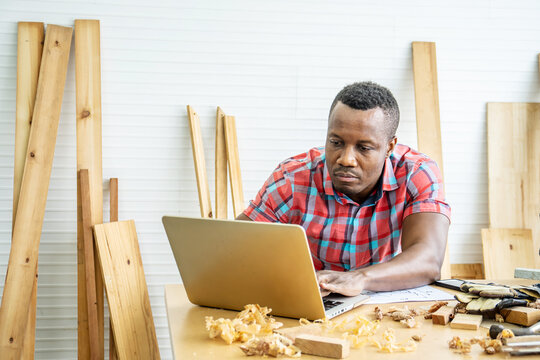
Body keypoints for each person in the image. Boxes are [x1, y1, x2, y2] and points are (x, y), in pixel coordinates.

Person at [236, 81, 450, 297]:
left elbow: (428, 259)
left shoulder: (417, 173)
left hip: (380, 294)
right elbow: (235, 245)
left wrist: (361, 278)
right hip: (311, 296)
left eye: (364, 148)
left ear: (389, 147)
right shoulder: (292, 178)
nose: (346, 159)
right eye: (336, 142)